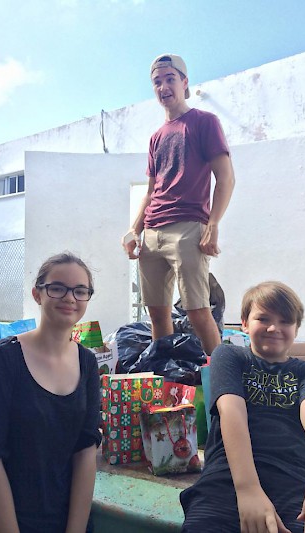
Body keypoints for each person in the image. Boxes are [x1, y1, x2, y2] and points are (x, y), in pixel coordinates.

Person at [180, 281, 305, 533]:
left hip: (293, 479)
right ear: (245, 323)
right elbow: (232, 412)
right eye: (263, 318)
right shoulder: (230, 356)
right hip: (228, 477)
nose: (274, 328)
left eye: (285, 321)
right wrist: (248, 489)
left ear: (296, 329)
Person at [0, 252, 102, 533]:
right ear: (37, 294)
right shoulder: (3, 359)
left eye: (80, 290)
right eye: (57, 288)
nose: (70, 298)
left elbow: (86, 450)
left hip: (61, 520)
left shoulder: (87, 362)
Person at [122, 53, 235, 355]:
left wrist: (213, 224)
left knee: (198, 312)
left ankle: (219, 378)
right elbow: (150, 191)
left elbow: (225, 178)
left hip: (188, 228)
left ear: (185, 82)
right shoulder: (156, 137)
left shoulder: (204, 122)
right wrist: (134, 230)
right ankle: (164, 370)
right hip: (152, 233)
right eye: (157, 82)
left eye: (170, 79)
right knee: (157, 315)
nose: (163, 87)